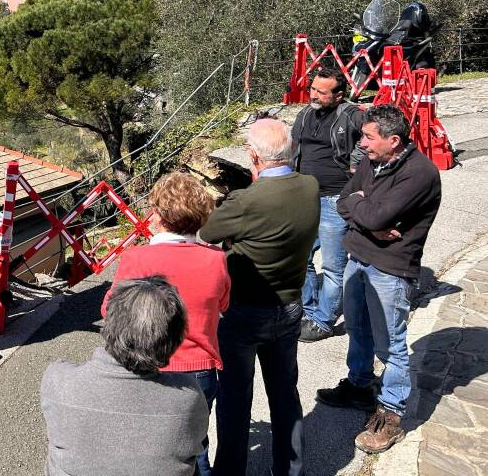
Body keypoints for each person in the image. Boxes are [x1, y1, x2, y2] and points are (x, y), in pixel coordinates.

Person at [317, 105, 442, 455]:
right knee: (357, 329)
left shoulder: (420, 173)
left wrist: (365, 212)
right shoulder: (374, 161)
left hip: (391, 268)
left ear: (394, 140)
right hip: (359, 258)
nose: (362, 143)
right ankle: (359, 386)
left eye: (369, 137)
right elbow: (345, 201)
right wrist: (366, 215)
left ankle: (391, 414)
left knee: (391, 345)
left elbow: (376, 215)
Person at [198, 117, 319, 476]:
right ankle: (290, 469)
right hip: (290, 305)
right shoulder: (310, 186)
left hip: (244, 311)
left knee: (235, 398)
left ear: (252, 155)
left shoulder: (245, 201)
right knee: (284, 394)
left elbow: (208, 232)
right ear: (291, 150)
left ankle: (230, 471)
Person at [101, 172, 230, 476]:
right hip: (200, 368)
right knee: (195, 443)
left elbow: (109, 310)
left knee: (148, 443)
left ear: (158, 215)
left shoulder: (136, 259)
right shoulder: (216, 259)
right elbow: (223, 304)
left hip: (148, 365)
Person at [41, 276, 208, 476]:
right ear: (173, 340)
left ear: (109, 321)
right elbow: (194, 444)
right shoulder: (189, 395)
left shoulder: (58, 380)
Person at [292, 66, 365, 342]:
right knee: (301, 258)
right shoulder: (305, 114)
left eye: (321, 92)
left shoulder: (352, 115)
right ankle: (307, 311)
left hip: (335, 199)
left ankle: (323, 321)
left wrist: (355, 163)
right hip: (305, 198)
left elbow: (374, 136)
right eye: (312, 89)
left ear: (338, 95)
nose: (313, 95)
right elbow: (293, 148)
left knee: (333, 267)